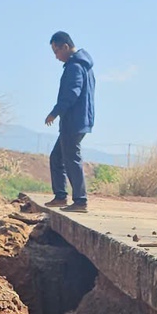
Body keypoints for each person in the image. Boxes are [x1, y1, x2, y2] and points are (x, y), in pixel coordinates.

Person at [44, 32, 96, 212]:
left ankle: (80, 201)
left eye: (56, 51)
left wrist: (55, 112)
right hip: (79, 120)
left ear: (65, 46)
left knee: (71, 158)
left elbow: (71, 94)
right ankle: (60, 197)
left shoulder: (75, 67)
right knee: (57, 157)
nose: (56, 56)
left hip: (74, 121)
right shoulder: (83, 65)